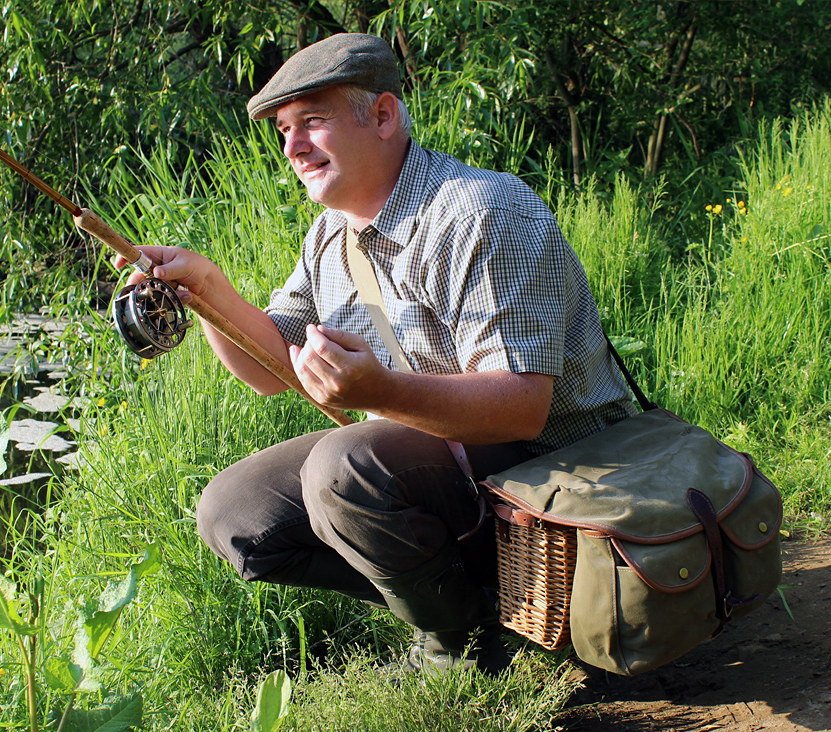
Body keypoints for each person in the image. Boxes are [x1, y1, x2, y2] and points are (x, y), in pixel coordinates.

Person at [117, 33, 636, 674]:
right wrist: (208, 290)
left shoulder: (482, 210)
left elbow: (521, 408)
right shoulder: (330, 234)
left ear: (383, 116)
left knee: (342, 468)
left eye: (312, 121)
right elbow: (270, 367)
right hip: (450, 456)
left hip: (557, 464)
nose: (293, 147)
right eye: (284, 130)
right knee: (236, 513)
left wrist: (379, 392)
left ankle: (457, 653)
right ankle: (469, 616)